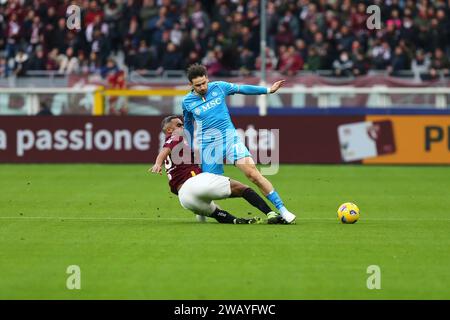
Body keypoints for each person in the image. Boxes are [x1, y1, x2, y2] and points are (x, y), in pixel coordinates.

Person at [181, 63, 296, 224]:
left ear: (207, 78)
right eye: (198, 85)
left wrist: (268, 90)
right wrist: (189, 145)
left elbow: (242, 89)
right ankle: (203, 211)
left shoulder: (219, 87)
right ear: (191, 85)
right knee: (208, 186)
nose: (202, 87)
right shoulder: (187, 102)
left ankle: (283, 210)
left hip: (230, 138)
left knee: (252, 173)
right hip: (208, 146)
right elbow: (187, 124)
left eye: (204, 82)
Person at [150, 116, 287, 224]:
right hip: (194, 183)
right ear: (169, 130)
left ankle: (234, 220)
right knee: (243, 188)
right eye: (179, 125)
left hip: (185, 199)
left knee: (217, 212)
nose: (183, 127)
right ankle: (271, 213)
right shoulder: (175, 137)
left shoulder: (180, 143)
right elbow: (165, 150)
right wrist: (157, 163)